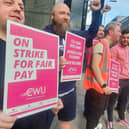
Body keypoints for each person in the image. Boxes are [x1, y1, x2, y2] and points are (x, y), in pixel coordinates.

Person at [0, 0, 63, 129]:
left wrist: (50, 104)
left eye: (21, 7)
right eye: (8, 3)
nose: (18, 9)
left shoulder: (40, 47)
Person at [43, 1, 103, 129]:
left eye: (68, 14)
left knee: (67, 122)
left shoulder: (73, 35)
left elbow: (91, 33)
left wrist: (96, 12)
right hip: (48, 93)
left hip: (70, 91)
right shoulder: (43, 35)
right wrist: (52, 63)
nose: (66, 17)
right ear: (52, 16)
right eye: (62, 13)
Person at [83, 22, 121, 129]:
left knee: (96, 115)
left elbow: (104, 69)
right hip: (97, 89)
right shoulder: (101, 45)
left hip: (101, 89)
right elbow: (95, 66)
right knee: (93, 118)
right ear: (110, 32)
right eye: (118, 31)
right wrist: (104, 85)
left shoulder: (106, 47)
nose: (120, 34)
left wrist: (112, 84)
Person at [107, 29, 129, 129]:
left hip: (127, 79)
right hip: (117, 80)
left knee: (123, 101)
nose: (125, 39)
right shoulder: (114, 49)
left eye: (127, 38)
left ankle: (121, 118)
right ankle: (110, 120)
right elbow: (111, 66)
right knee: (112, 101)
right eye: (123, 37)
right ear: (120, 38)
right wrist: (113, 81)